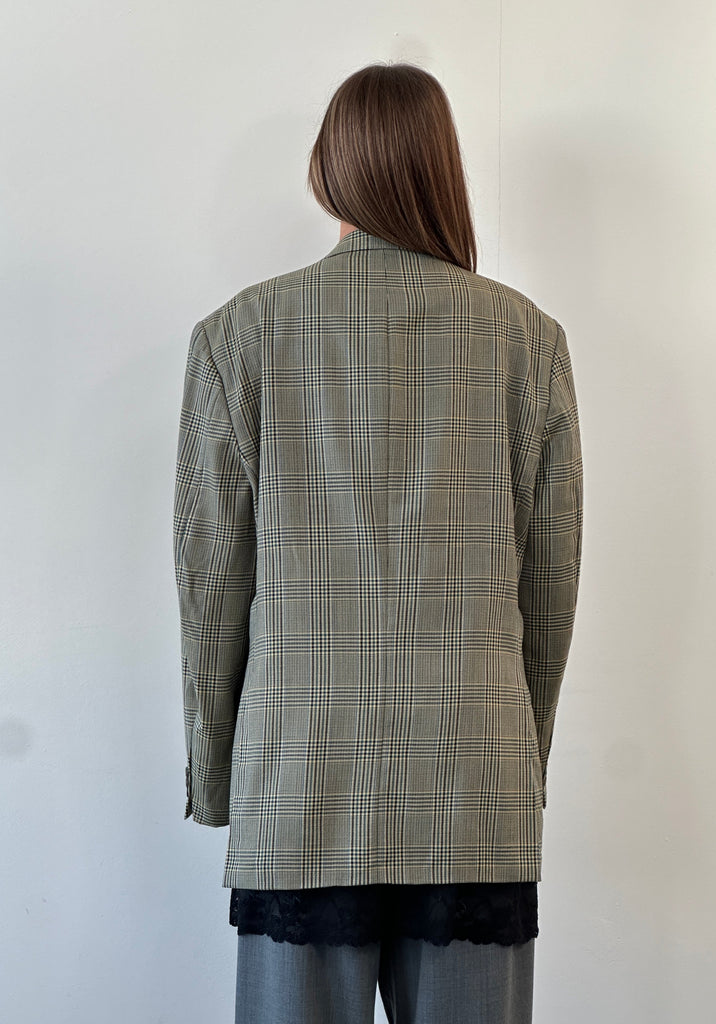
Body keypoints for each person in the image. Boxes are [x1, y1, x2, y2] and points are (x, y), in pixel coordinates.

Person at [173, 60, 583, 1024]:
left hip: (299, 775)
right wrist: (521, 756)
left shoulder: (239, 336)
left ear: (327, 171)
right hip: (474, 775)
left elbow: (209, 586)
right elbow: (551, 583)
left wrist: (217, 773)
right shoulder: (527, 339)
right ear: (443, 171)